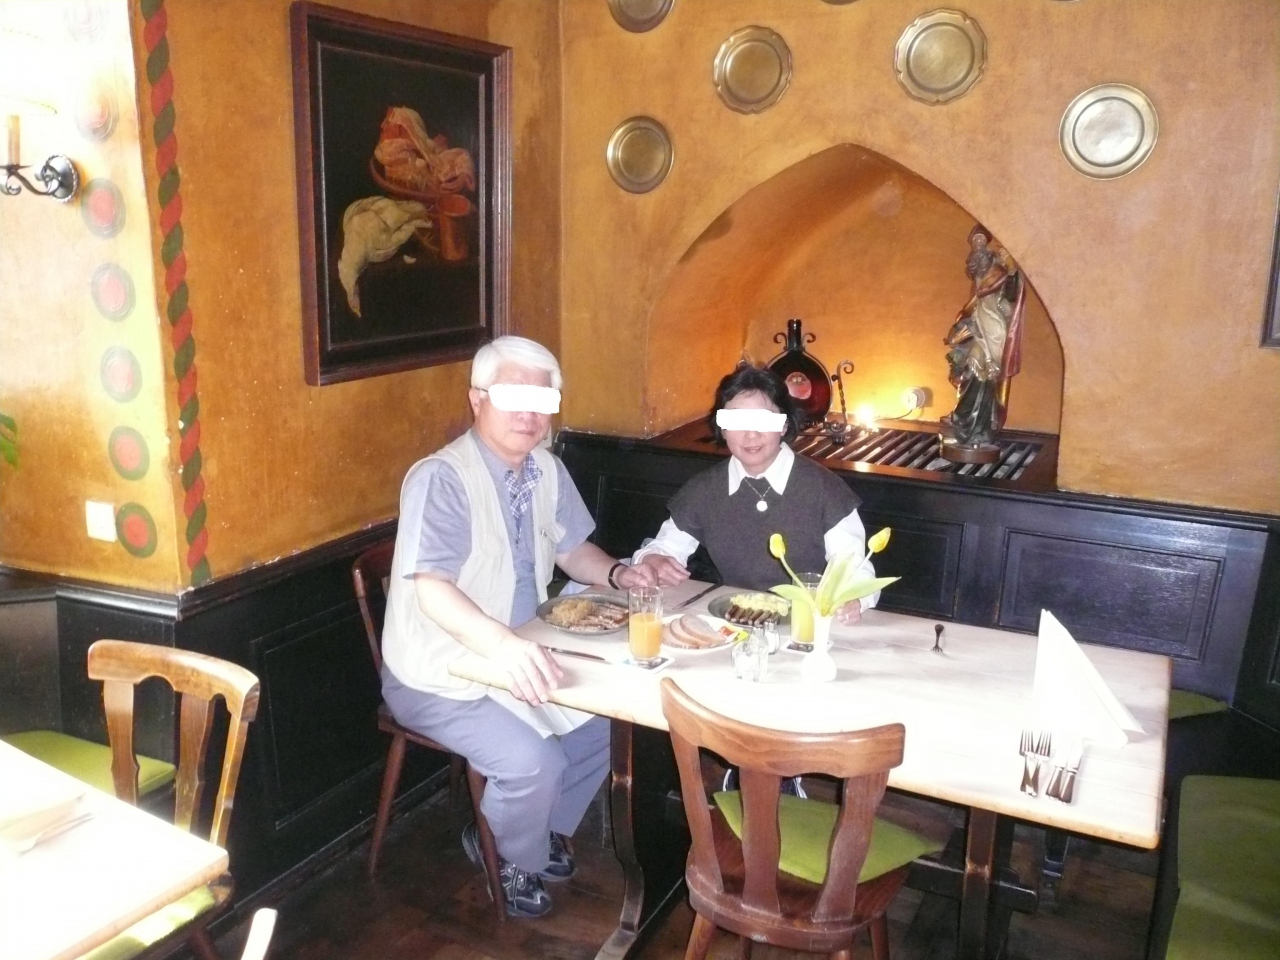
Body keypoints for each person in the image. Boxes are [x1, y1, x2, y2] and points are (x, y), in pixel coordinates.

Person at [379, 335, 655, 919]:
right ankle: (510, 856)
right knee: (535, 762)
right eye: (512, 396)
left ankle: (534, 828)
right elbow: (433, 588)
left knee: (611, 725)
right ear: (477, 399)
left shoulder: (545, 469)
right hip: (439, 670)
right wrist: (505, 647)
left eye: (543, 400)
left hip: (520, 648)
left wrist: (620, 574)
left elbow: (573, 550)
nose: (529, 414)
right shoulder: (442, 478)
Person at [634, 364, 878, 624]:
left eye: (763, 420)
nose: (751, 434)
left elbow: (855, 569)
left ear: (784, 425)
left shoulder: (823, 488)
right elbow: (664, 548)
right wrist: (653, 560)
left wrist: (854, 598)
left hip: (806, 624)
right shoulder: (705, 489)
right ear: (722, 428)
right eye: (737, 421)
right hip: (733, 620)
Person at [942, 226, 1027, 451]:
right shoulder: (979, 278)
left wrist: (1011, 269)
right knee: (970, 367)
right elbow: (971, 306)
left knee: (984, 374)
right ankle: (965, 425)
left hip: (994, 330)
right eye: (975, 242)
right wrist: (959, 329)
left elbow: (1009, 291)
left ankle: (979, 428)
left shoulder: (998, 273)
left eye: (981, 241)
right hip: (980, 327)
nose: (978, 245)